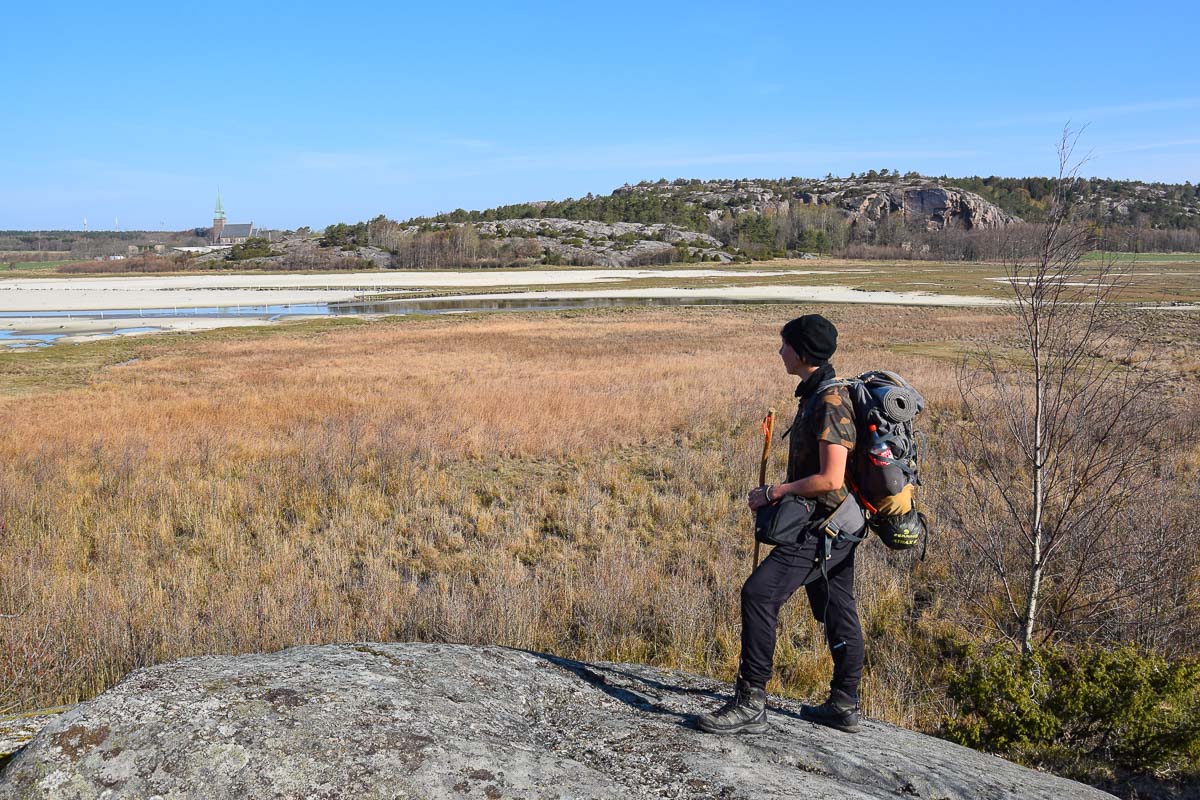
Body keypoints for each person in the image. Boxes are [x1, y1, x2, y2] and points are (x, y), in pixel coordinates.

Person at [697, 313, 864, 735]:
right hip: (840, 524)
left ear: (803, 352)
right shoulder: (817, 394)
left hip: (826, 527)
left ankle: (750, 701)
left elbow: (831, 478)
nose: (779, 350)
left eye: (785, 343)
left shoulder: (829, 403)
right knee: (837, 607)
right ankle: (845, 703)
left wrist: (776, 492)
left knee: (758, 594)